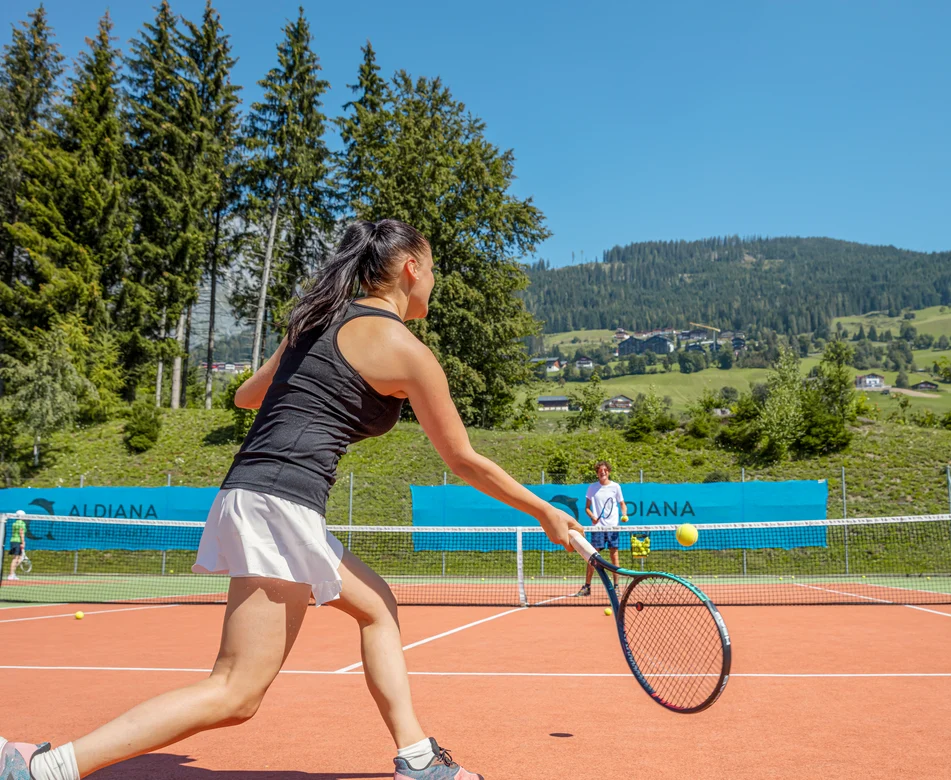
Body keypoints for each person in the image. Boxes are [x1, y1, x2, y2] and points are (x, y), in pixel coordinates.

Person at [0, 219, 583, 780]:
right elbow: (461, 460)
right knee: (235, 693)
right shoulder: (407, 351)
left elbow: (245, 396)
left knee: (378, 605)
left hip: (261, 494)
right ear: (410, 268)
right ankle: (44, 767)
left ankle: (419, 758)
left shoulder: (315, 321)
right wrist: (546, 512)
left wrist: (298, 366)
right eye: (432, 270)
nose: (433, 282)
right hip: (279, 502)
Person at [575, 461, 627, 597]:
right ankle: (587, 587)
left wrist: (624, 514)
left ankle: (616, 587)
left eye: (605, 470)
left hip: (612, 527)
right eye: (600, 470)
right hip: (597, 528)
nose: (602, 472)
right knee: (592, 557)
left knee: (614, 556)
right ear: (597, 473)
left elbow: (622, 504)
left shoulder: (616, 487)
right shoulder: (592, 488)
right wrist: (592, 516)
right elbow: (587, 507)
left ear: (608, 472)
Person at [6, 509, 26, 582]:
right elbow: (21, 533)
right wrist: (23, 542)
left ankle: (12, 573)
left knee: (19, 558)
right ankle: (11, 575)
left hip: (13, 541)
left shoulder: (14, 523)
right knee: (16, 558)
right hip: (18, 542)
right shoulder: (22, 523)